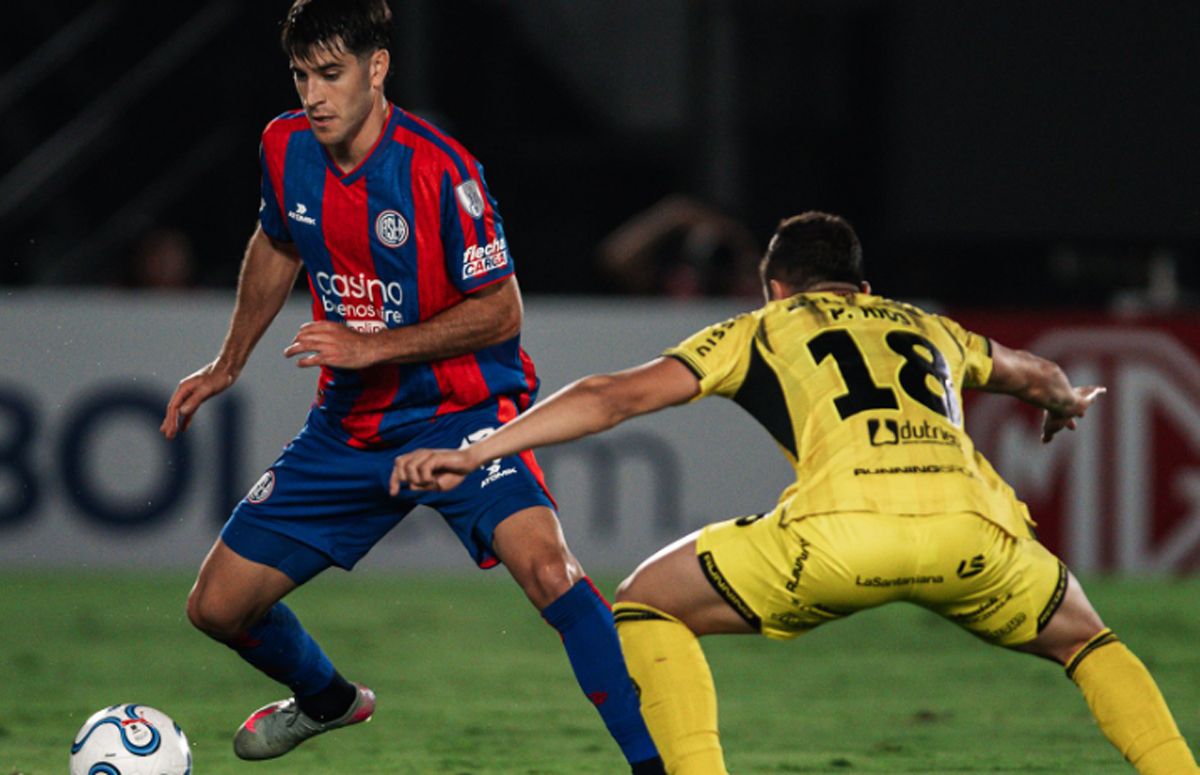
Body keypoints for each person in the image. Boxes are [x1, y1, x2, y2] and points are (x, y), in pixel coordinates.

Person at [392, 211, 1200, 774]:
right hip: (972, 535)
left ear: (772, 286)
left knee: (646, 602)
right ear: (862, 285)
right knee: (1091, 642)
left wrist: (482, 448)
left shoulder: (763, 328)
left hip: (839, 538)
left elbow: (615, 395)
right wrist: (1062, 406)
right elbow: (1038, 372)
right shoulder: (927, 325)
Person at [159, 1, 663, 770]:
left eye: (331, 74)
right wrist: (228, 361)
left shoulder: (440, 168)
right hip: (349, 425)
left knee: (550, 570)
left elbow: (501, 309)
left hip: (460, 414)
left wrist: (374, 344)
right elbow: (276, 241)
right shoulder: (285, 145)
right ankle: (328, 699)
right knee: (217, 608)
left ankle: (652, 765)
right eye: (301, 76)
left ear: (378, 67)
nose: (314, 96)